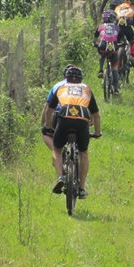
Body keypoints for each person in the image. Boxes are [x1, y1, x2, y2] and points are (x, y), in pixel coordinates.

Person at [42, 65, 101, 199]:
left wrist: (49, 127)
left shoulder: (60, 88)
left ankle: (60, 177)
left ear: (66, 78)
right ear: (81, 79)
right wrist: (97, 133)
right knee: (83, 153)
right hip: (82, 120)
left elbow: (49, 110)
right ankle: (81, 188)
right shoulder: (87, 89)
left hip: (63, 119)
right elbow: (96, 115)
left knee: (57, 149)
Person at [114, 0, 134, 64]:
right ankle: (132, 55)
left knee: (115, 43)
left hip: (117, 28)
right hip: (127, 28)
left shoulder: (118, 7)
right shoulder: (133, 8)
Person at [94, 10, 121, 78]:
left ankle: (100, 70)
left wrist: (95, 43)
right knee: (115, 63)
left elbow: (95, 36)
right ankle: (115, 86)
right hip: (114, 47)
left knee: (102, 54)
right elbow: (119, 37)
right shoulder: (117, 27)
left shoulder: (100, 26)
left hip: (102, 47)